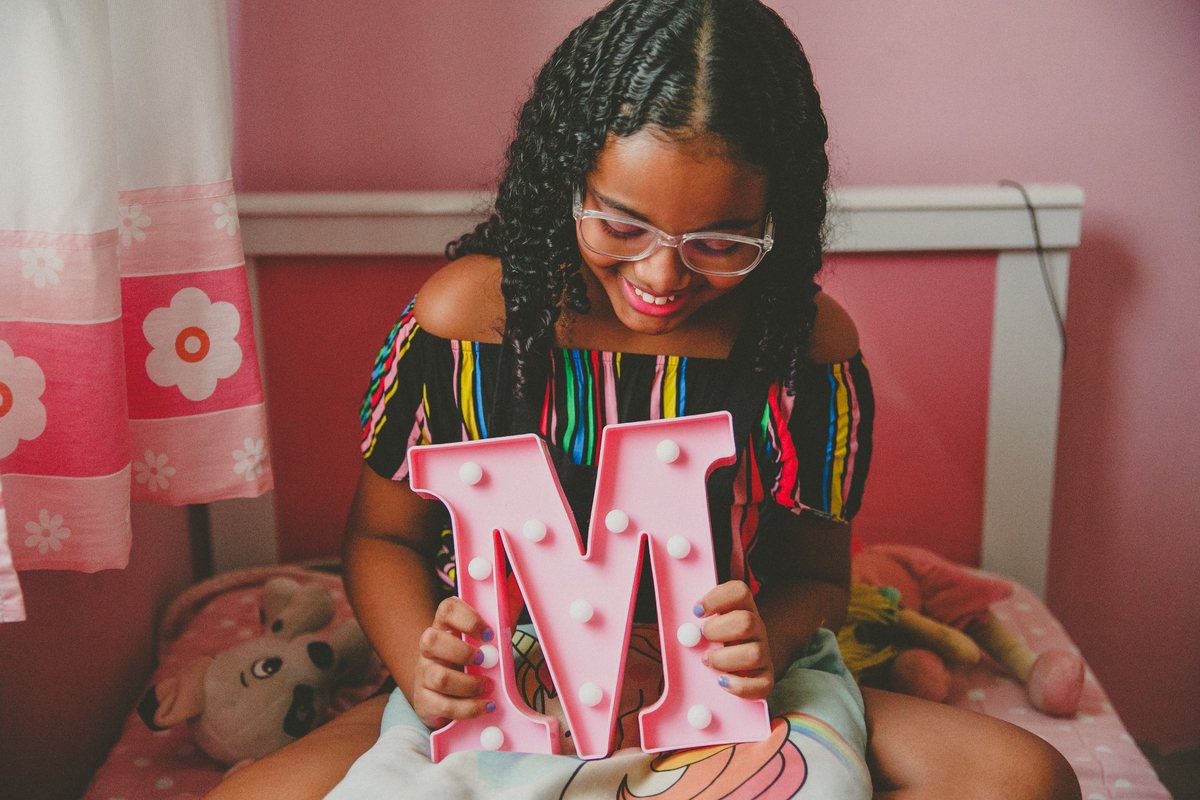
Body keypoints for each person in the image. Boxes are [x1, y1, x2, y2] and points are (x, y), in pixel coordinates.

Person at [207, 1, 1081, 797]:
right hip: (508, 676)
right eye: (621, 226)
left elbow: (816, 574)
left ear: (776, 220)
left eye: (720, 242)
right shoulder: (469, 326)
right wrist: (425, 671)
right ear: (566, 183)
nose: (662, 276)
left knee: (1028, 779)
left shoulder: (805, 351)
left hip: (722, 690)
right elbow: (382, 538)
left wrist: (765, 640)